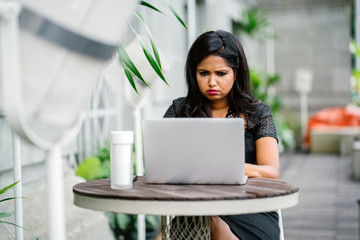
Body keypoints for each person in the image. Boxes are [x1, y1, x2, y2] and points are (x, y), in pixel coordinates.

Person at [163, 30, 280, 240]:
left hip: (249, 208)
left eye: (221, 73)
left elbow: (271, 171)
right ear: (193, 73)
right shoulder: (180, 110)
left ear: (236, 73)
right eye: (204, 73)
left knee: (211, 223)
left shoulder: (258, 113)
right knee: (203, 219)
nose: (212, 82)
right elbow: (162, 166)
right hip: (194, 207)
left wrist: (226, 169)